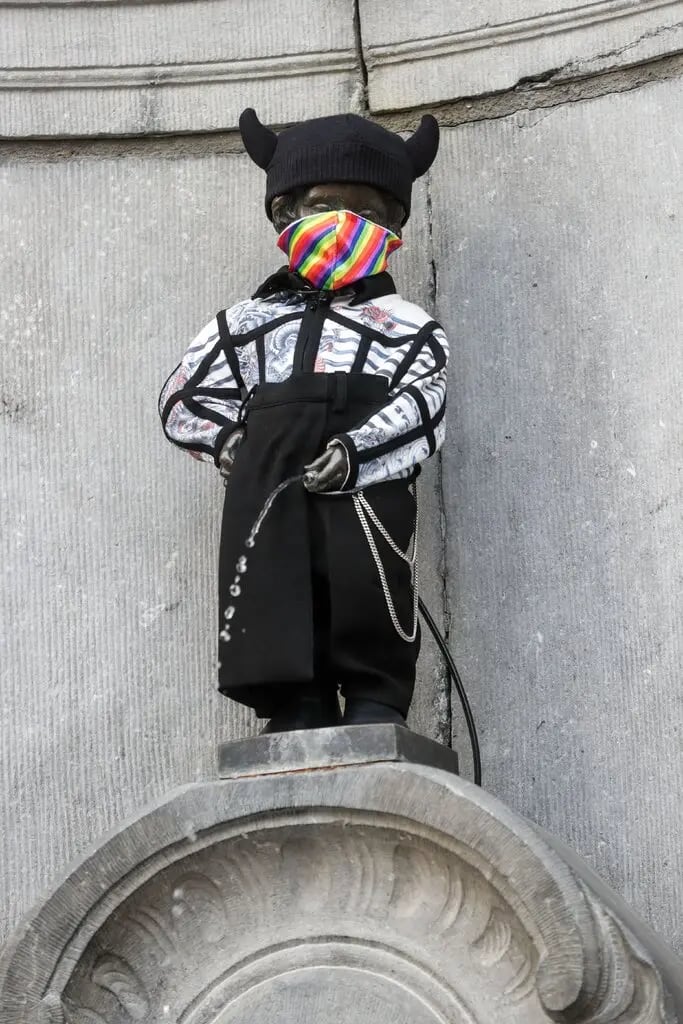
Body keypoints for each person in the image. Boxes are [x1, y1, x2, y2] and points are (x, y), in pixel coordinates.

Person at [159, 108, 448, 733]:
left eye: (369, 212)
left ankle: (376, 699)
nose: (345, 222)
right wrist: (229, 441)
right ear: (284, 213)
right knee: (275, 589)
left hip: (367, 485)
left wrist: (358, 450)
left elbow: (425, 403)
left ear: (395, 226)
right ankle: (295, 702)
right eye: (324, 205)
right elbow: (183, 398)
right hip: (270, 479)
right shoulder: (243, 324)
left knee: (370, 582)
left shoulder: (409, 327)